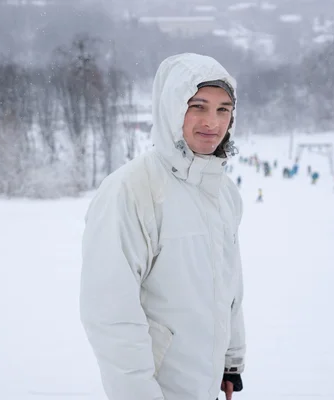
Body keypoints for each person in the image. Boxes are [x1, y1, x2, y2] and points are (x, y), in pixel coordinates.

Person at [80, 53, 246, 400]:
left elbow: (228, 284)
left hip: (205, 385)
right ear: (172, 108)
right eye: (197, 106)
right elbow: (112, 315)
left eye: (222, 109)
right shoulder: (132, 189)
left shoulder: (224, 193)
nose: (211, 122)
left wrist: (230, 359)